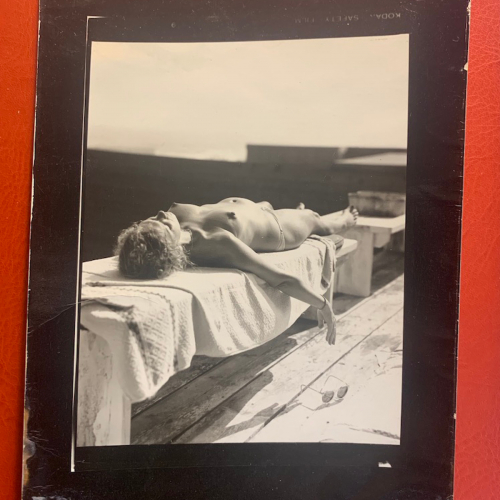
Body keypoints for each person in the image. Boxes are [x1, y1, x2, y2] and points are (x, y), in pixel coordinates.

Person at [115, 198, 358, 345]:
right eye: (163, 224)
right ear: (171, 248)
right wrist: (323, 304)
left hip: (255, 208)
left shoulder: (172, 224)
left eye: (153, 218)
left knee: (292, 211)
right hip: (279, 228)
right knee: (316, 219)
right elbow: (280, 279)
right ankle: (346, 218)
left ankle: (289, 210)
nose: (160, 214)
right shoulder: (214, 242)